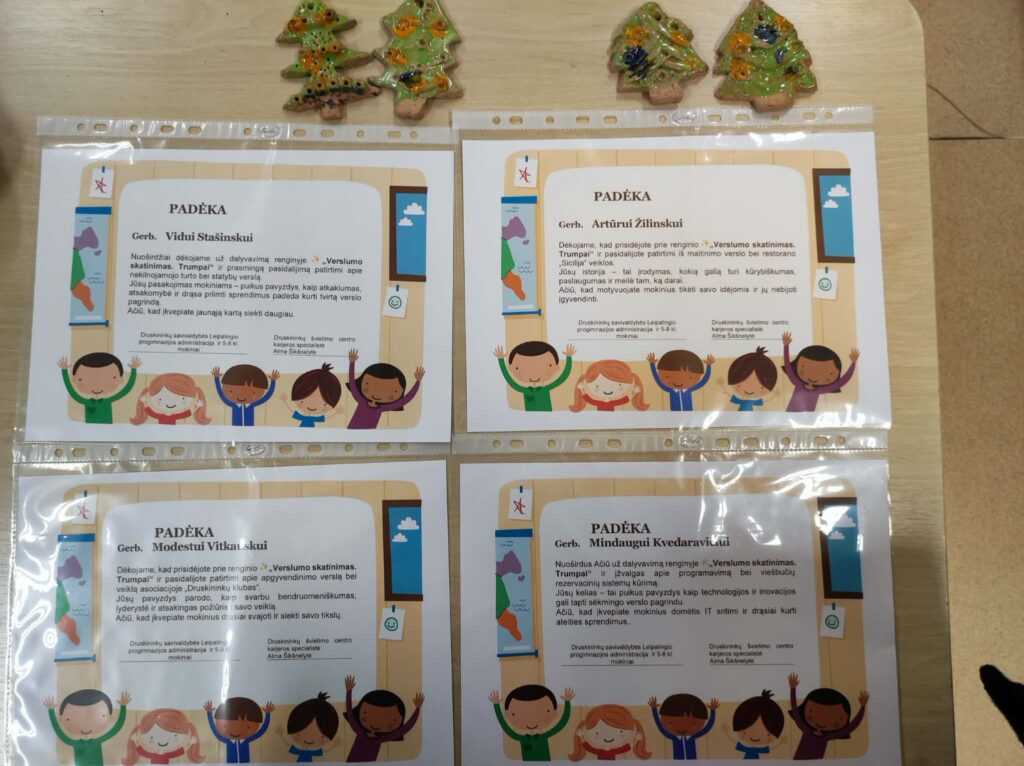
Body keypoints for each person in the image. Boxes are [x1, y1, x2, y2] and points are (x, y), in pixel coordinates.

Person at [343, 676, 424, 762]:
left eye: (391, 720)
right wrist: (349, 691)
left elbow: (405, 728)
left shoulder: (380, 738)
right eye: (366, 713)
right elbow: (350, 715)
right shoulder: (360, 731)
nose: (375, 723)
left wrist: (417, 709)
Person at [788, 674, 868, 759]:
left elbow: (851, 727)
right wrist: (793, 689)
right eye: (812, 712)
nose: (821, 721)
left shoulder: (827, 735)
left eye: (837, 718)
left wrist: (862, 707)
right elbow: (796, 712)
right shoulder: (807, 729)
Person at [44, 689, 131, 766]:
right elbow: (59, 732)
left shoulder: (91, 742)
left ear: (110, 716)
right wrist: (51, 711)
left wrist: (123, 707)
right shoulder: (93, 742)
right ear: (61, 719)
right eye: (69, 719)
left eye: (102, 715)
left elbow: (116, 728)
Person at [489, 685, 575, 761]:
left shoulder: (543, 736)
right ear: (508, 715)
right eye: (520, 714)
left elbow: (561, 724)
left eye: (545, 711)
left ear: (554, 712)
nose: (531, 720)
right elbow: (505, 727)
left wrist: (567, 702)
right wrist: (496, 706)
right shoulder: (523, 738)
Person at [781, 333, 859, 412]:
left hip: (808, 417)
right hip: (789, 415)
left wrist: (853, 363)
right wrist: (786, 346)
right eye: (804, 367)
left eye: (830, 373)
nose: (813, 376)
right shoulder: (798, 382)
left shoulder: (818, 389)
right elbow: (788, 367)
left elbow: (842, 381)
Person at [346, 350, 424, 429]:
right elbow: (352, 384)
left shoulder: (381, 407)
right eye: (368, 384)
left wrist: (417, 382)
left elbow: (405, 399)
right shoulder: (361, 400)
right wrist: (352, 363)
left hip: (369, 435)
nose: (377, 393)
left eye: (393, 391)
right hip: (351, 431)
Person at [59, 353, 141, 424]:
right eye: (85, 379)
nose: (96, 385)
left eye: (112, 377)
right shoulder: (88, 402)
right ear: (75, 379)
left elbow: (126, 389)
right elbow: (71, 391)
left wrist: (133, 370)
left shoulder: (107, 401)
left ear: (120, 379)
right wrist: (64, 371)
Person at [495, 342, 574, 412]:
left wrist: (569, 358)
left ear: (556, 367)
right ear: (511, 368)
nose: (534, 373)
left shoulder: (545, 389)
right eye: (519, 367)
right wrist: (501, 360)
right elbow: (509, 380)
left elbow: (563, 377)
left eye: (548, 365)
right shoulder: (526, 390)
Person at [122, 707, 205, 764]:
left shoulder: (166, 755)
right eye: (151, 737)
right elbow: (142, 752)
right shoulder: (153, 755)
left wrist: (190, 743)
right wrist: (135, 741)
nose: (163, 740)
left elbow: (180, 752)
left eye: (175, 736)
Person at [649, 693, 719, 760]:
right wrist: (654, 710)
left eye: (693, 723)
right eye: (671, 722)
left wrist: (713, 711)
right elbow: (660, 727)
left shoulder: (692, 736)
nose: (681, 727)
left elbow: (707, 728)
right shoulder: (674, 737)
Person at [569, 704, 651, 761]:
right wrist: (581, 736)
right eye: (597, 733)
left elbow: (627, 747)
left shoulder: (612, 751)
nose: (608, 736)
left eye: (620, 731)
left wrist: (636, 739)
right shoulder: (600, 751)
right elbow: (588, 747)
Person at [204, 697, 274, 763]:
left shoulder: (247, 740)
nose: (236, 731)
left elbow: (261, 731)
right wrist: (209, 713)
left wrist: (268, 714)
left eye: (248, 727)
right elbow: (215, 731)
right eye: (225, 726)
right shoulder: (227, 740)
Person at [279, 691, 340, 762]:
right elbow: (289, 745)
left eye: (321, 736)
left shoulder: (309, 752)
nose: (309, 739)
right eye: (298, 734)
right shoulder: (301, 751)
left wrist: (334, 745)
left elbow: (324, 751)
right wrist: (281, 735)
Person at [130, 373, 211, 425]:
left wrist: (197, 406)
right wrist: (144, 402)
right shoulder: (160, 416)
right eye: (160, 399)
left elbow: (187, 413)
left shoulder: (173, 416)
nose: (170, 402)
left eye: (182, 399)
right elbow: (150, 412)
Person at [570, 360, 649, 412]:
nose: (607, 389)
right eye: (597, 386)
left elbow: (625, 400)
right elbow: (589, 399)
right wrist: (581, 389)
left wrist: (634, 393)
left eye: (619, 384)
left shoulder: (612, 403)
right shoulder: (599, 403)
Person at [726, 690, 786, 759]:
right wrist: (727, 732)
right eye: (744, 732)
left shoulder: (752, 749)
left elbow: (770, 748)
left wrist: (781, 743)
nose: (755, 736)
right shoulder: (748, 748)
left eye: (768, 734)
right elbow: (734, 741)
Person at [647, 351, 715, 411]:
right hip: (675, 417)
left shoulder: (690, 389)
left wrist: (709, 366)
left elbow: (703, 381)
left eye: (690, 377)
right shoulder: (670, 389)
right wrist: (652, 365)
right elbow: (658, 381)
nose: (678, 381)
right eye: (668, 376)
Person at [212, 365, 279, 426]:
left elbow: (267, 396)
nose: (242, 396)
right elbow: (222, 395)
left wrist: (273, 381)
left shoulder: (252, 404)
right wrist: (216, 378)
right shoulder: (233, 404)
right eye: (231, 391)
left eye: (253, 392)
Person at [719, 347, 779, 412]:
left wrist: (774, 396)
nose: (749, 389)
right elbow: (729, 395)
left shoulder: (752, 402)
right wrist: (722, 386)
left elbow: (765, 401)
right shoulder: (742, 401)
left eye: (761, 388)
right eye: (739, 385)